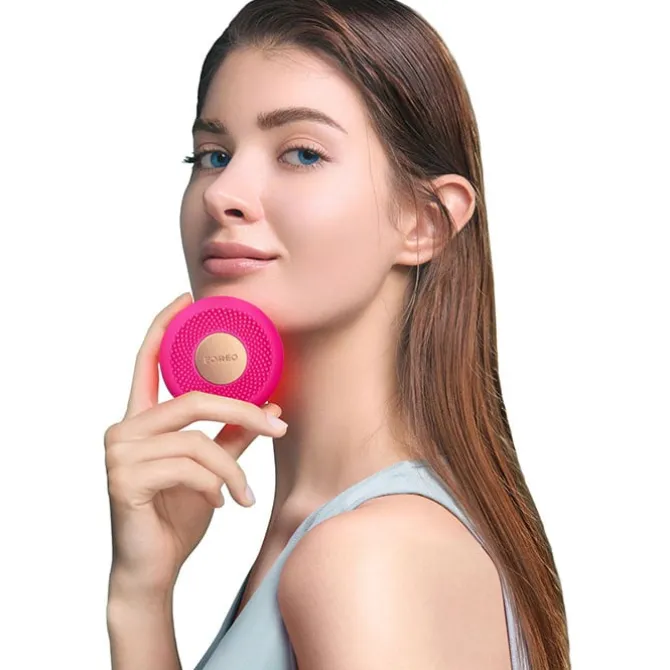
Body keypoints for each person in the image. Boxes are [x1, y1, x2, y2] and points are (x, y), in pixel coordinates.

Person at [104, 1, 570, 668]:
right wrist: (140, 596)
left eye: (302, 153)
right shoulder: (345, 534)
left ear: (424, 222)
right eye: (212, 154)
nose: (221, 192)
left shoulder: (367, 556)